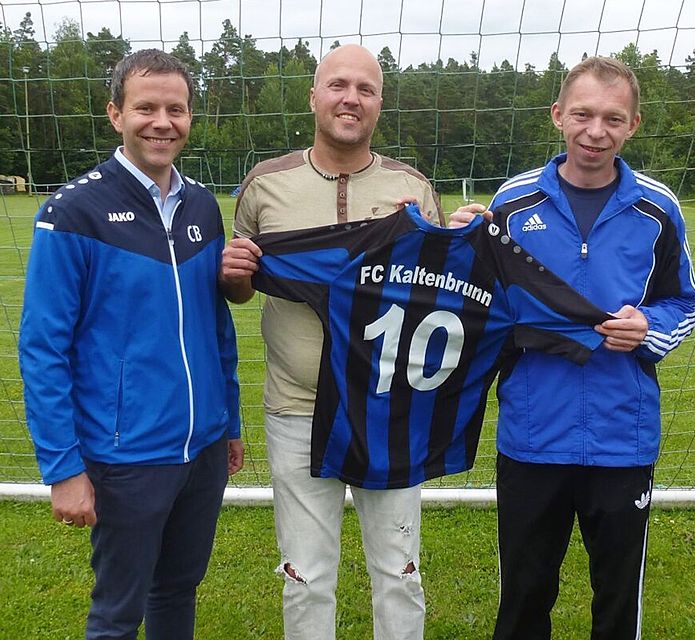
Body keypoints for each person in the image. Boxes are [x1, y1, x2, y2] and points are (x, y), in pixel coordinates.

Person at [451, 56, 695, 639]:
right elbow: (476, 303)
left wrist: (648, 328)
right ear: (558, 114)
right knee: (525, 594)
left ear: (633, 125)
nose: (596, 131)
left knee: (617, 597)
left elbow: (683, 303)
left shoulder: (657, 208)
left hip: (623, 436)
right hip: (533, 433)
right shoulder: (513, 203)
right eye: (583, 115)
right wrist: (458, 244)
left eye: (613, 119)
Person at [18, 49, 243, 639]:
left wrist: (229, 420)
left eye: (176, 109)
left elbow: (216, 325)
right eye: (146, 108)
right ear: (116, 114)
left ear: (190, 117)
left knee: (177, 590)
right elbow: (42, 348)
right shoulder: (73, 212)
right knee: (118, 613)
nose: (161, 122)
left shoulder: (202, 206)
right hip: (126, 456)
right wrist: (63, 468)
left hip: (203, 448)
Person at [219, 44, 441, 640]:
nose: (351, 99)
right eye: (338, 85)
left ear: (380, 103)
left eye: (366, 89)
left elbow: (439, 291)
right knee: (306, 574)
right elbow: (241, 288)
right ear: (314, 95)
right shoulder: (265, 185)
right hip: (297, 408)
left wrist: (459, 237)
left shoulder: (411, 188)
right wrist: (235, 275)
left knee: (399, 570)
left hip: (387, 407)